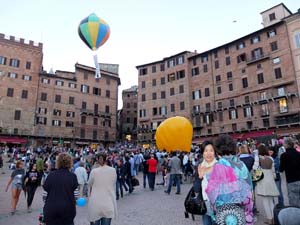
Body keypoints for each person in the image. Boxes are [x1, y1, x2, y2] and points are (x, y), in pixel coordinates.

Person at [206, 134, 253, 225]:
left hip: (224, 212)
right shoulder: (241, 165)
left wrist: (214, 213)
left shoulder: (216, 167)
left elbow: (212, 194)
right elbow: (249, 188)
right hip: (242, 210)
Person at [43, 153, 79, 225]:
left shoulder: (51, 175)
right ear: (70, 163)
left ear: (58, 162)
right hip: (67, 210)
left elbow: (44, 195)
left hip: (51, 210)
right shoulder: (73, 176)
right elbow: (76, 196)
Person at [88, 153, 117, 225]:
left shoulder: (94, 171)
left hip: (96, 203)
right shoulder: (113, 170)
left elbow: (89, 184)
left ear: (97, 160)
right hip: (108, 202)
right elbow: (113, 182)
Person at [256, 145, 279, 225]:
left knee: (265, 201)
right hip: (270, 180)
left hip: (262, 181)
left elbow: (255, 169)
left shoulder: (258, 158)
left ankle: (269, 219)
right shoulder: (271, 158)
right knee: (271, 201)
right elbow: (274, 173)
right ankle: (274, 218)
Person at [197, 141, 218, 225]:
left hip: (218, 203)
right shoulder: (200, 166)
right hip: (205, 202)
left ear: (215, 152)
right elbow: (196, 188)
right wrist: (200, 178)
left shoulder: (220, 165)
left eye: (211, 150)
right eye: (206, 150)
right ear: (202, 153)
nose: (208, 153)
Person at [279, 137, 300, 207]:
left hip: (292, 181)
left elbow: (281, 169)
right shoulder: (298, 154)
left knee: (294, 202)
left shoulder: (284, 156)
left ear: (286, 145)